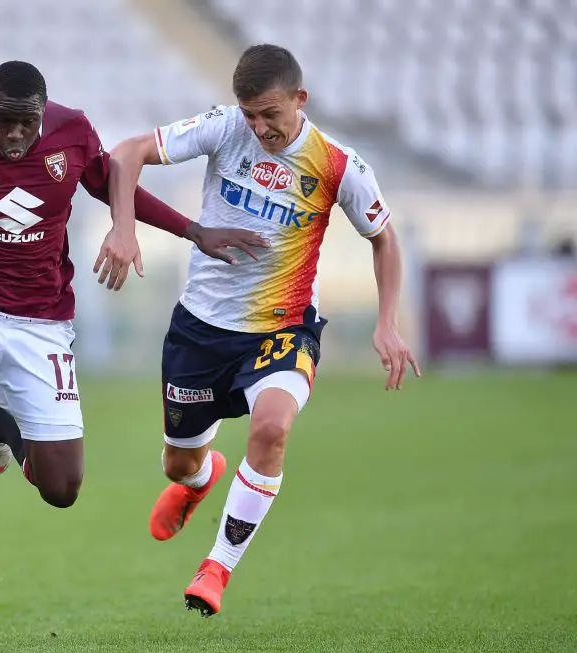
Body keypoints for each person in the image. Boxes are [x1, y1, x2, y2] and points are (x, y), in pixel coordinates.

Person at [0, 60, 268, 580]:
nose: (16, 134)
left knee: (61, 489)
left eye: (27, 122)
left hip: (41, 321)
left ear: (43, 113)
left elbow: (115, 186)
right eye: (4, 121)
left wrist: (195, 231)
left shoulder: (71, 133)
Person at [103, 44, 421, 616]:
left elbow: (385, 239)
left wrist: (387, 322)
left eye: (269, 114)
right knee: (178, 462)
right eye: (250, 114)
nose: (259, 127)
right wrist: (123, 230)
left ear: (300, 100)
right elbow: (125, 155)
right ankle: (199, 480)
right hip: (200, 330)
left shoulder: (338, 166)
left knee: (271, 429)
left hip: (284, 329)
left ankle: (216, 568)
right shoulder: (225, 129)